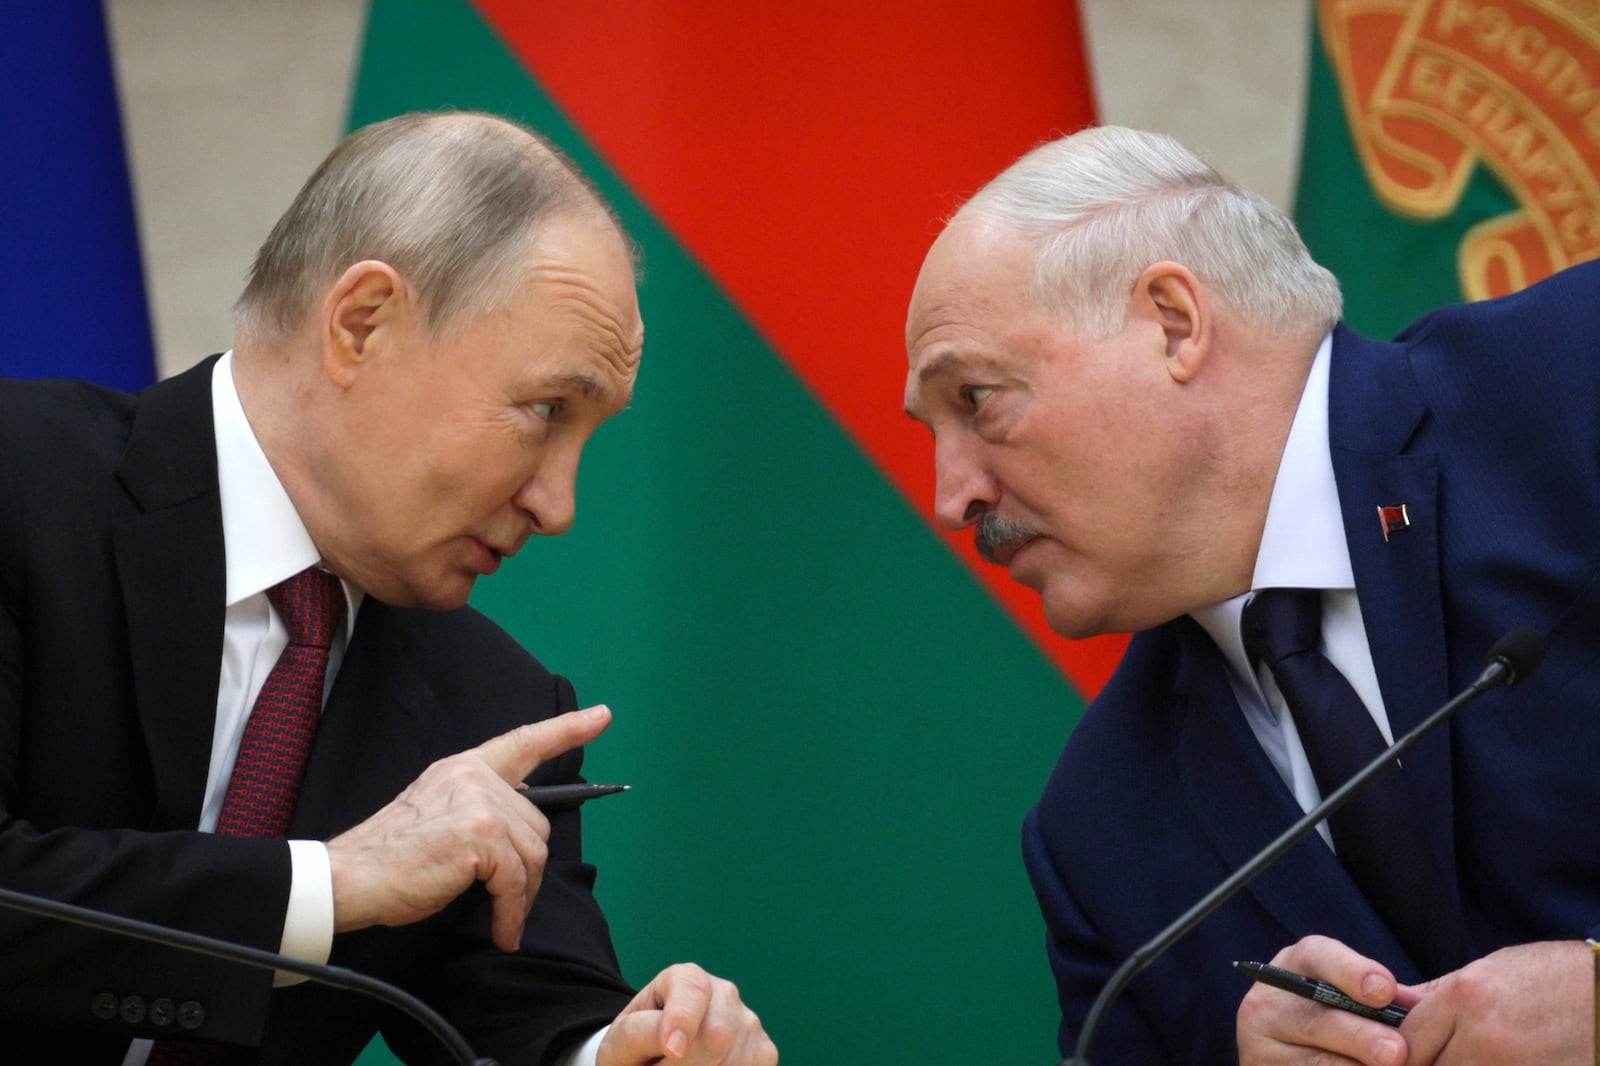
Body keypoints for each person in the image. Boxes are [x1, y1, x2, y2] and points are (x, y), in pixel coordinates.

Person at [0, 111, 777, 1066]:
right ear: (362, 324)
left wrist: (637, 1051)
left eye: (590, 435)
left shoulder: (497, 711)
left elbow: (540, 1022)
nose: (560, 503)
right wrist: (331, 886)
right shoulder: (16, 486)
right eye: (544, 410)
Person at [902, 124, 1600, 1065]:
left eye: (977, 399)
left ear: (1175, 324)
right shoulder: (1098, 833)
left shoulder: (1571, 390)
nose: (953, 500)